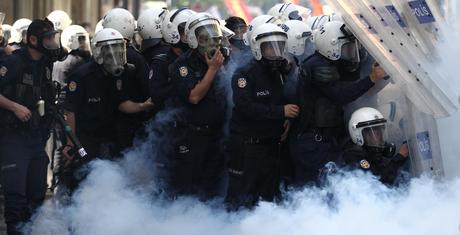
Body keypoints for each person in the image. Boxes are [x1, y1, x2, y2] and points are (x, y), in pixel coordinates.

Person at [289, 21, 387, 187]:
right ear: (332, 46)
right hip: (313, 143)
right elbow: (341, 94)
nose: (350, 52)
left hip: (326, 139)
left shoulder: (329, 63)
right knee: (312, 191)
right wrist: (371, 78)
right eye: (346, 47)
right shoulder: (319, 66)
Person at [62, 28, 153, 190]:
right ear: (98, 52)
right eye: (110, 52)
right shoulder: (81, 76)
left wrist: (143, 106)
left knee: (111, 182)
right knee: (83, 183)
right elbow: (70, 112)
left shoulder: (119, 75)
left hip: (109, 138)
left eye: (119, 51)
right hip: (85, 140)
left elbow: (121, 103)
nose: (115, 56)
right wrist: (70, 144)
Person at [0, 18, 63, 234]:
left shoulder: (46, 64)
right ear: (33, 39)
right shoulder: (14, 62)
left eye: (53, 38)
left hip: (36, 138)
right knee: (16, 197)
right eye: (47, 38)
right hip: (13, 138)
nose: (52, 42)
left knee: (36, 194)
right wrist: (14, 107)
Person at [225, 23, 297, 209]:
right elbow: (245, 106)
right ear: (257, 48)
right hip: (247, 146)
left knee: (267, 196)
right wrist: (281, 112)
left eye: (279, 46)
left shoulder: (280, 71)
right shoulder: (244, 74)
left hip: (271, 145)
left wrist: (286, 119)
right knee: (241, 197)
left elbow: (282, 98)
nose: (276, 52)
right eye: (270, 47)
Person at [166, 12, 227, 199]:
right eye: (204, 39)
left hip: (216, 135)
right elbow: (194, 97)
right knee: (188, 187)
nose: (212, 44)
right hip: (191, 136)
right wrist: (213, 70)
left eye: (215, 38)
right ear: (193, 40)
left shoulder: (222, 58)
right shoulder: (182, 65)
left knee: (211, 187)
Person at [102, 8, 152, 151]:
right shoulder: (137, 58)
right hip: (131, 124)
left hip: (104, 124)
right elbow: (147, 89)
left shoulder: (100, 55)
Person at [342, 107, 409, 185]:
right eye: (374, 131)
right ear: (359, 135)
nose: (379, 135)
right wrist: (399, 158)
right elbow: (377, 184)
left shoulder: (375, 153)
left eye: (380, 130)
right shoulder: (353, 157)